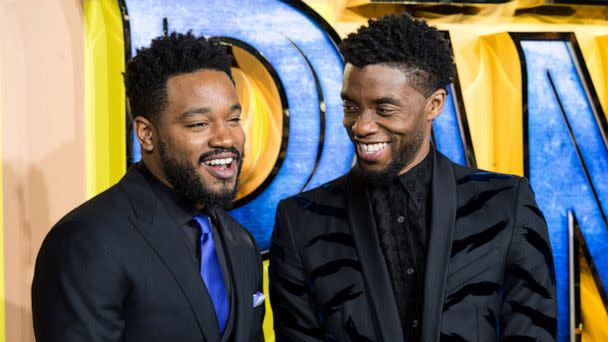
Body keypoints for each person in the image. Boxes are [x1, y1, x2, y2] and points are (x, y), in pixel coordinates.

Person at [269, 13, 556, 342]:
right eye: (351, 106)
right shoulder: (300, 220)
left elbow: (533, 332)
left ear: (434, 105)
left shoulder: (507, 204)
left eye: (384, 108)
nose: (361, 126)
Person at [32, 32, 264, 342]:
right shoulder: (86, 241)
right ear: (146, 133)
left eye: (233, 119)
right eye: (199, 124)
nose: (226, 138)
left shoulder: (241, 242)